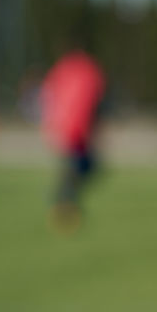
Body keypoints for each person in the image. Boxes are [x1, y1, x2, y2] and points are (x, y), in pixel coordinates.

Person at [41, 45, 106, 229]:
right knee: (82, 166)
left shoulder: (63, 69)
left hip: (66, 127)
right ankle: (63, 201)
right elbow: (93, 102)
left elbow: (50, 94)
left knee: (78, 167)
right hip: (77, 128)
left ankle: (64, 200)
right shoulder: (89, 72)